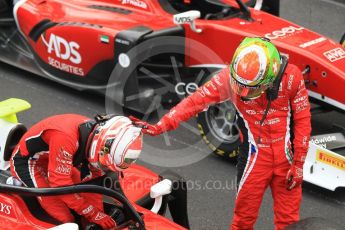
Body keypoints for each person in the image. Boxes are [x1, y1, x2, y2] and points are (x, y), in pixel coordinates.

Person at [130, 37, 311, 230]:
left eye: (251, 88)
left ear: (271, 78)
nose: (242, 92)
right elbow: (194, 102)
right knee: (242, 221)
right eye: (239, 84)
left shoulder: (292, 77)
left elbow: (303, 119)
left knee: (289, 222)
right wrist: (161, 125)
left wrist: (299, 162)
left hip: (287, 159)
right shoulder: (228, 79)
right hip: (255, 159)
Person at [10, 114, 143, 230]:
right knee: (65, 217)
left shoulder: (97, 136)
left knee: (83, 199)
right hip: (28, 162)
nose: (104, 166)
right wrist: (93, 214)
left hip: (55, 157)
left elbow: (93, 185)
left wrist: (97, 215)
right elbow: (60, 185)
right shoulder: (66, 138)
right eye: (105, 163)